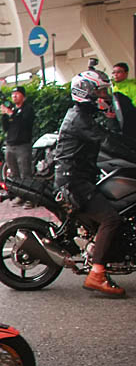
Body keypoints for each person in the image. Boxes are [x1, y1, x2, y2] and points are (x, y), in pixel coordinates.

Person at [54, 69, 126, 297]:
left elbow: (108, 136)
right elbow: (106, 141)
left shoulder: (83, 116)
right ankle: (96, 274)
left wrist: (113, 119)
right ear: (87, 92)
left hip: (79, 177)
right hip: (74, 182)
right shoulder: (80, 119)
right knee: (111, 219)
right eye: (100, 91)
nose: (104, 95)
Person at [0, 86, 35, 188]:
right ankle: (19, 195)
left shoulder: (28, 109)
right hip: (10, 145)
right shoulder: (12, 109)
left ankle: (29, 199)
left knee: (26, 173)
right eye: (13, 94)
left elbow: (24, 123)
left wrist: (11, 114)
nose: (14, 96)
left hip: (23, 145)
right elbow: (5, 128)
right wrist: (4, 115)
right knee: (14, 174)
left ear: (23, 96)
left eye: (17, 94)